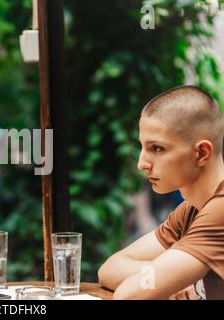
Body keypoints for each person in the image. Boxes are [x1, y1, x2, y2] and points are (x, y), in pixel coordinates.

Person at [98, 85, 224, 300]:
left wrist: (165, 278)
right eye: (143, 147)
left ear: (202, 153)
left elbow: (129, 294)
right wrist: (169, 277)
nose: (142, 164)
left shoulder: (220, 210)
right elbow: (109, 269)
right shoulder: (191, 210)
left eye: (157, 148)